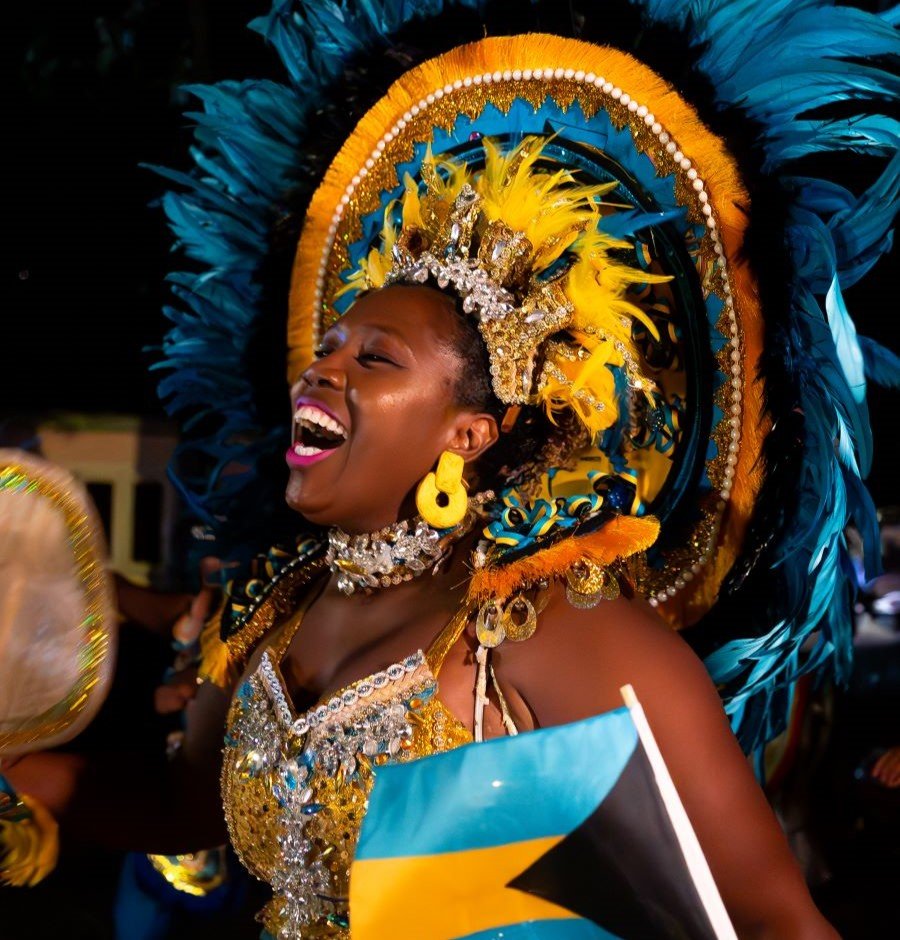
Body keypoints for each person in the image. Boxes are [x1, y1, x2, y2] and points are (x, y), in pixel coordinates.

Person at [4, 2, 897, 938]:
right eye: (330, 345)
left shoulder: (558, 626)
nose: (322, 367)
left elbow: (769, 916)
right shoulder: (273, 609)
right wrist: (17, 779)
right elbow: (184, 806)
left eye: (375, 359)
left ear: (468, 435)